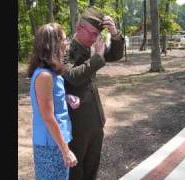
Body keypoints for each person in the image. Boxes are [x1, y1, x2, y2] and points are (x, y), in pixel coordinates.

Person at [62, 7, 125, 180]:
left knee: (91, 170)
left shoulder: (90, 46)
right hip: (76, 125)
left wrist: (114, 33)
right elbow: (73, 77)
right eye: (92, 33)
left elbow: (115, 55)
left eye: (97, 34)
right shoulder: (66, 49)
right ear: (78, 29)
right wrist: (97, 56)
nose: (94, 38)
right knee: (76, 173)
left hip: (95, 121)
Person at [28, 23, 80, 180]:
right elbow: (48, 117)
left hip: (54, 141)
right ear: (53, 44)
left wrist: (65, 97)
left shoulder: (50, 73)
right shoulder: (45, 76)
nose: (67, 43)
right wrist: (66, 151)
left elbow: (47, 100)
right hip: (51, 145)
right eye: (64, 39)